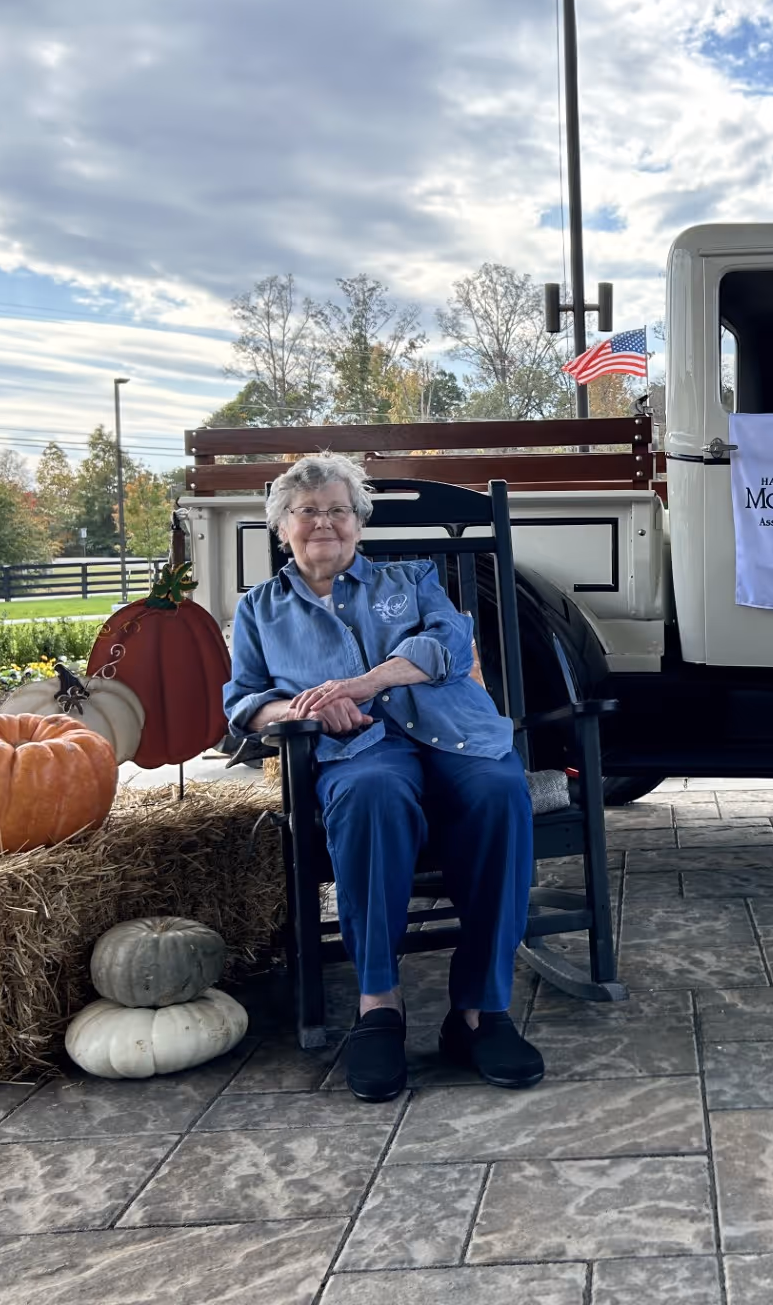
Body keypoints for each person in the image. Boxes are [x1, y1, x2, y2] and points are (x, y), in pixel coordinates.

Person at [223, 452, 544, 1102]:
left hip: (452, 730)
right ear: (281, 526)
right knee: (372, 796)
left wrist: (362, 683)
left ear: (359, 524)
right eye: (307, 510)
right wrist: (309, 706)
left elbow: (449, 646)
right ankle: (379, 1007)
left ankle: (480, 1012)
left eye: (339, 509)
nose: (324, 521)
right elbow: (245, 704)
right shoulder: (260, 610)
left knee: (500, 791)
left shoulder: (411, 576)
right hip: (354, 751)